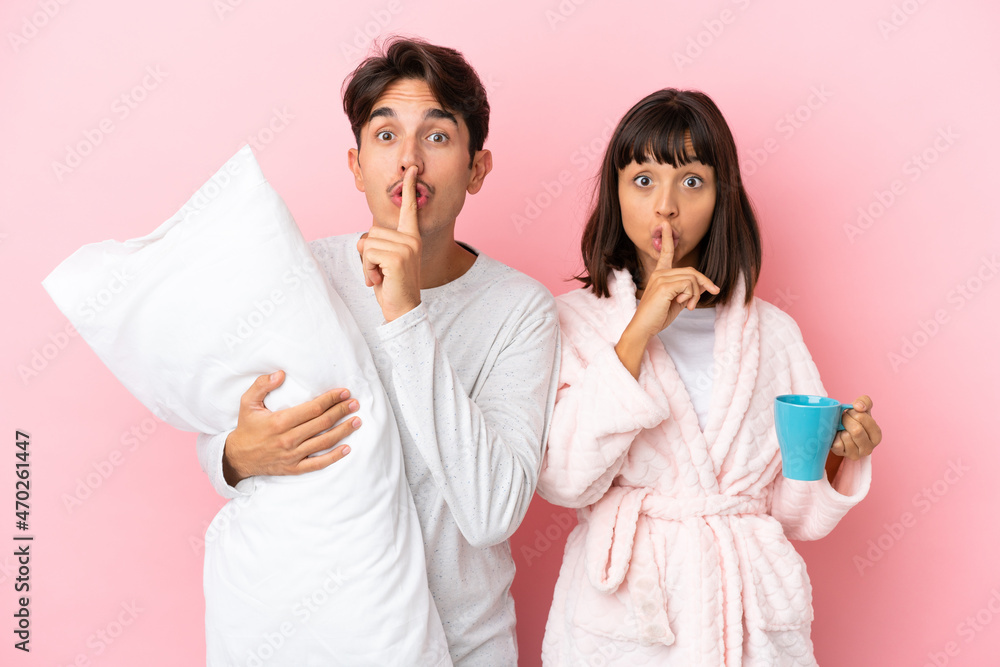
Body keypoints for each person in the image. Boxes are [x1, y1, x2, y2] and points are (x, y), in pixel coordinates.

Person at [196, 38, 560, 665]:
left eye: (438, 137)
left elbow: (493, 512)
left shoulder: (519, 309)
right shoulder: (303, 275)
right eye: (386, 136)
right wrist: (231, 457)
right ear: (356, 164)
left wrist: (405, 312)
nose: (409, 163)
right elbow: (228, 435)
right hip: (315, 635)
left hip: (459, 644)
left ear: (477, 168)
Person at [535, 89, 883, 665]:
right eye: (643, 180)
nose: (665, 206)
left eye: (691, 181)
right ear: (616, 192)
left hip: (748, 619)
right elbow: (565, 479)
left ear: (723, 196)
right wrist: (638, 332)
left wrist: (839, 456)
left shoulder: (773, 334)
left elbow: (795, 515)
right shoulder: (573, 322)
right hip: (632, 619)